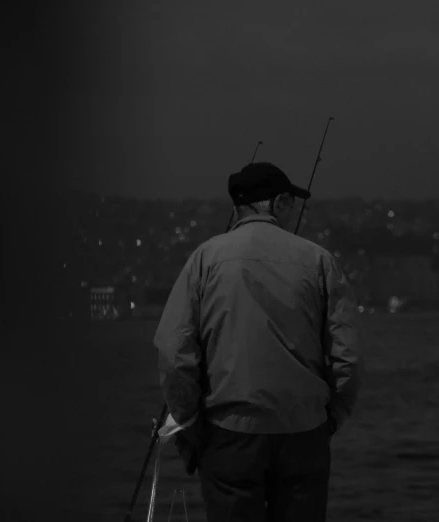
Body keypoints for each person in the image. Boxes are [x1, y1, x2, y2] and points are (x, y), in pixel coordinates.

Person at [153, 161, 364, 522]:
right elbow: (348, 356)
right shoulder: (318, 261)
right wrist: (331, 417)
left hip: (230, 433)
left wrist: (192, 422)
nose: (293, 210)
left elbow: (174, 353)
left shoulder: (205, 259)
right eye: (291, 203)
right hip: (304, 432)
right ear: (278, 202)